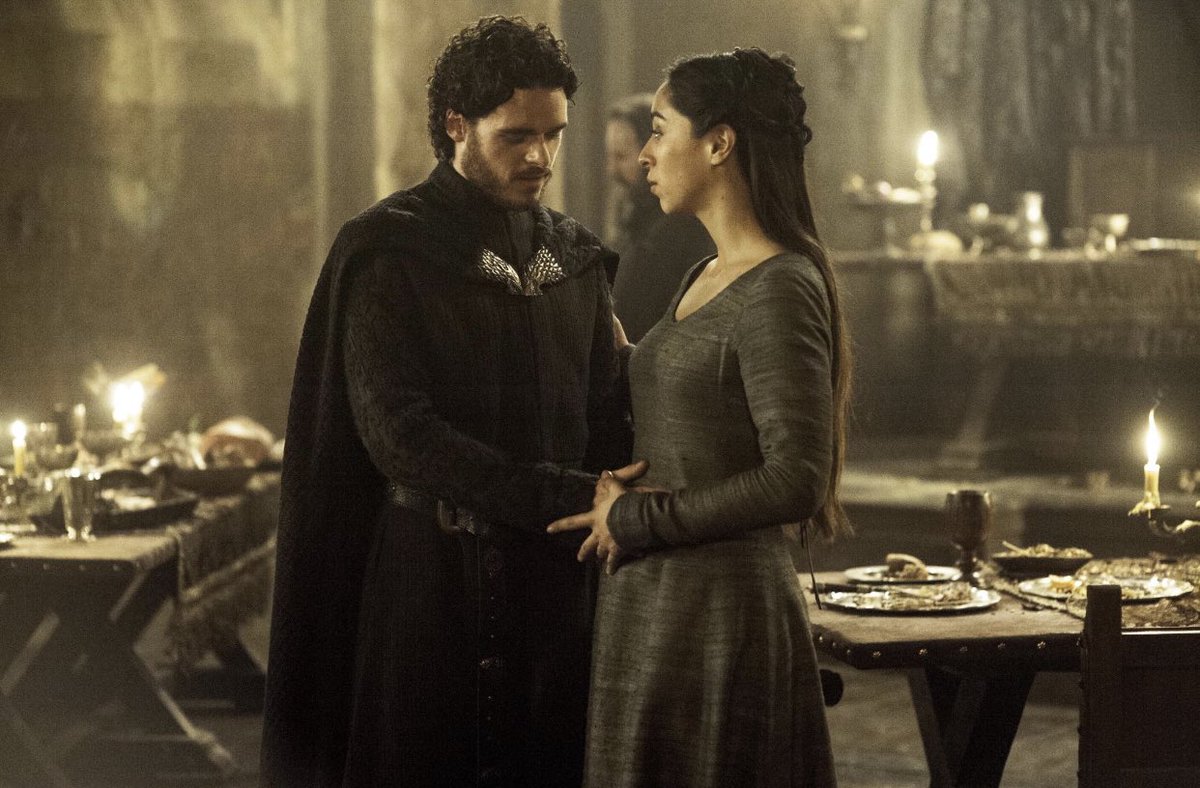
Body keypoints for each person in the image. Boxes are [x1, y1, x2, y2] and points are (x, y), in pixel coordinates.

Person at [261, 16, 629, 787]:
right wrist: (562, 494)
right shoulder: (391, 250)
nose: (540, 157)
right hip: (431, 585)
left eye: (554, 135)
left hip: (555, 589)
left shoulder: (572, 258)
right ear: (456, 125)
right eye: (516, 136)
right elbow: (399, 434)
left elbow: (605, 412)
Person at [548, 48, 851, 786]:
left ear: (719, 144)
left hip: (722, 614)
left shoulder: (779, 286)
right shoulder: (704, 272)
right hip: (655, 606)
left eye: (660, 130)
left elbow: (796, 478)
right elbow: (692, 405)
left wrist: (635, 519)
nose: (644, 154)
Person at [605, 94, 715, 343]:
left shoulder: (682, 229)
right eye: (610, 157)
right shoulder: (632, 224)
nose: (612, 170)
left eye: (621, 157)